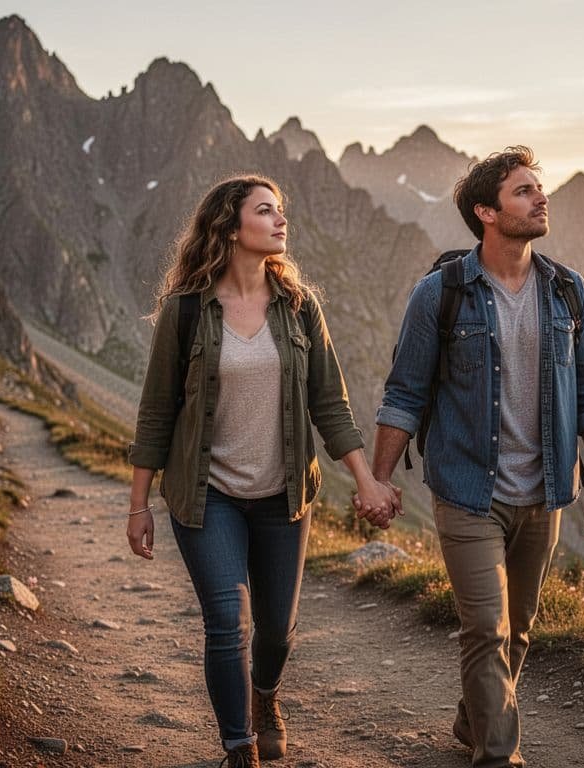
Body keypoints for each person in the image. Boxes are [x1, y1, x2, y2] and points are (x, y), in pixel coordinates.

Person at [125, 175, 399, 767]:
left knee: (276, 630)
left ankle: (265, 697)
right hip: (208, 497)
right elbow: (156, 411)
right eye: (266, 211)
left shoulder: (300, 308)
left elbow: (330, 404)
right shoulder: (186, 312)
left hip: (283, 496)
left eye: (282, 211)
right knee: (228, 623)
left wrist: (366, 479)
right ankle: (238, 748)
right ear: (229, 225)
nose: (281, 222)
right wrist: (138, 504)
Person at [367, 147, 584, 767]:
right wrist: (378, 482)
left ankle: (472, 719)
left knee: (519, 628)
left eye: (540, 188)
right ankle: (498, 755)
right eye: (523, 191)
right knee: (487, 627)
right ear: (486, 211)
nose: (541, 198)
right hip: (466, 492)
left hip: (544, 494)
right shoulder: (441, 294)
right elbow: (405, 391)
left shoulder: (567, 291)